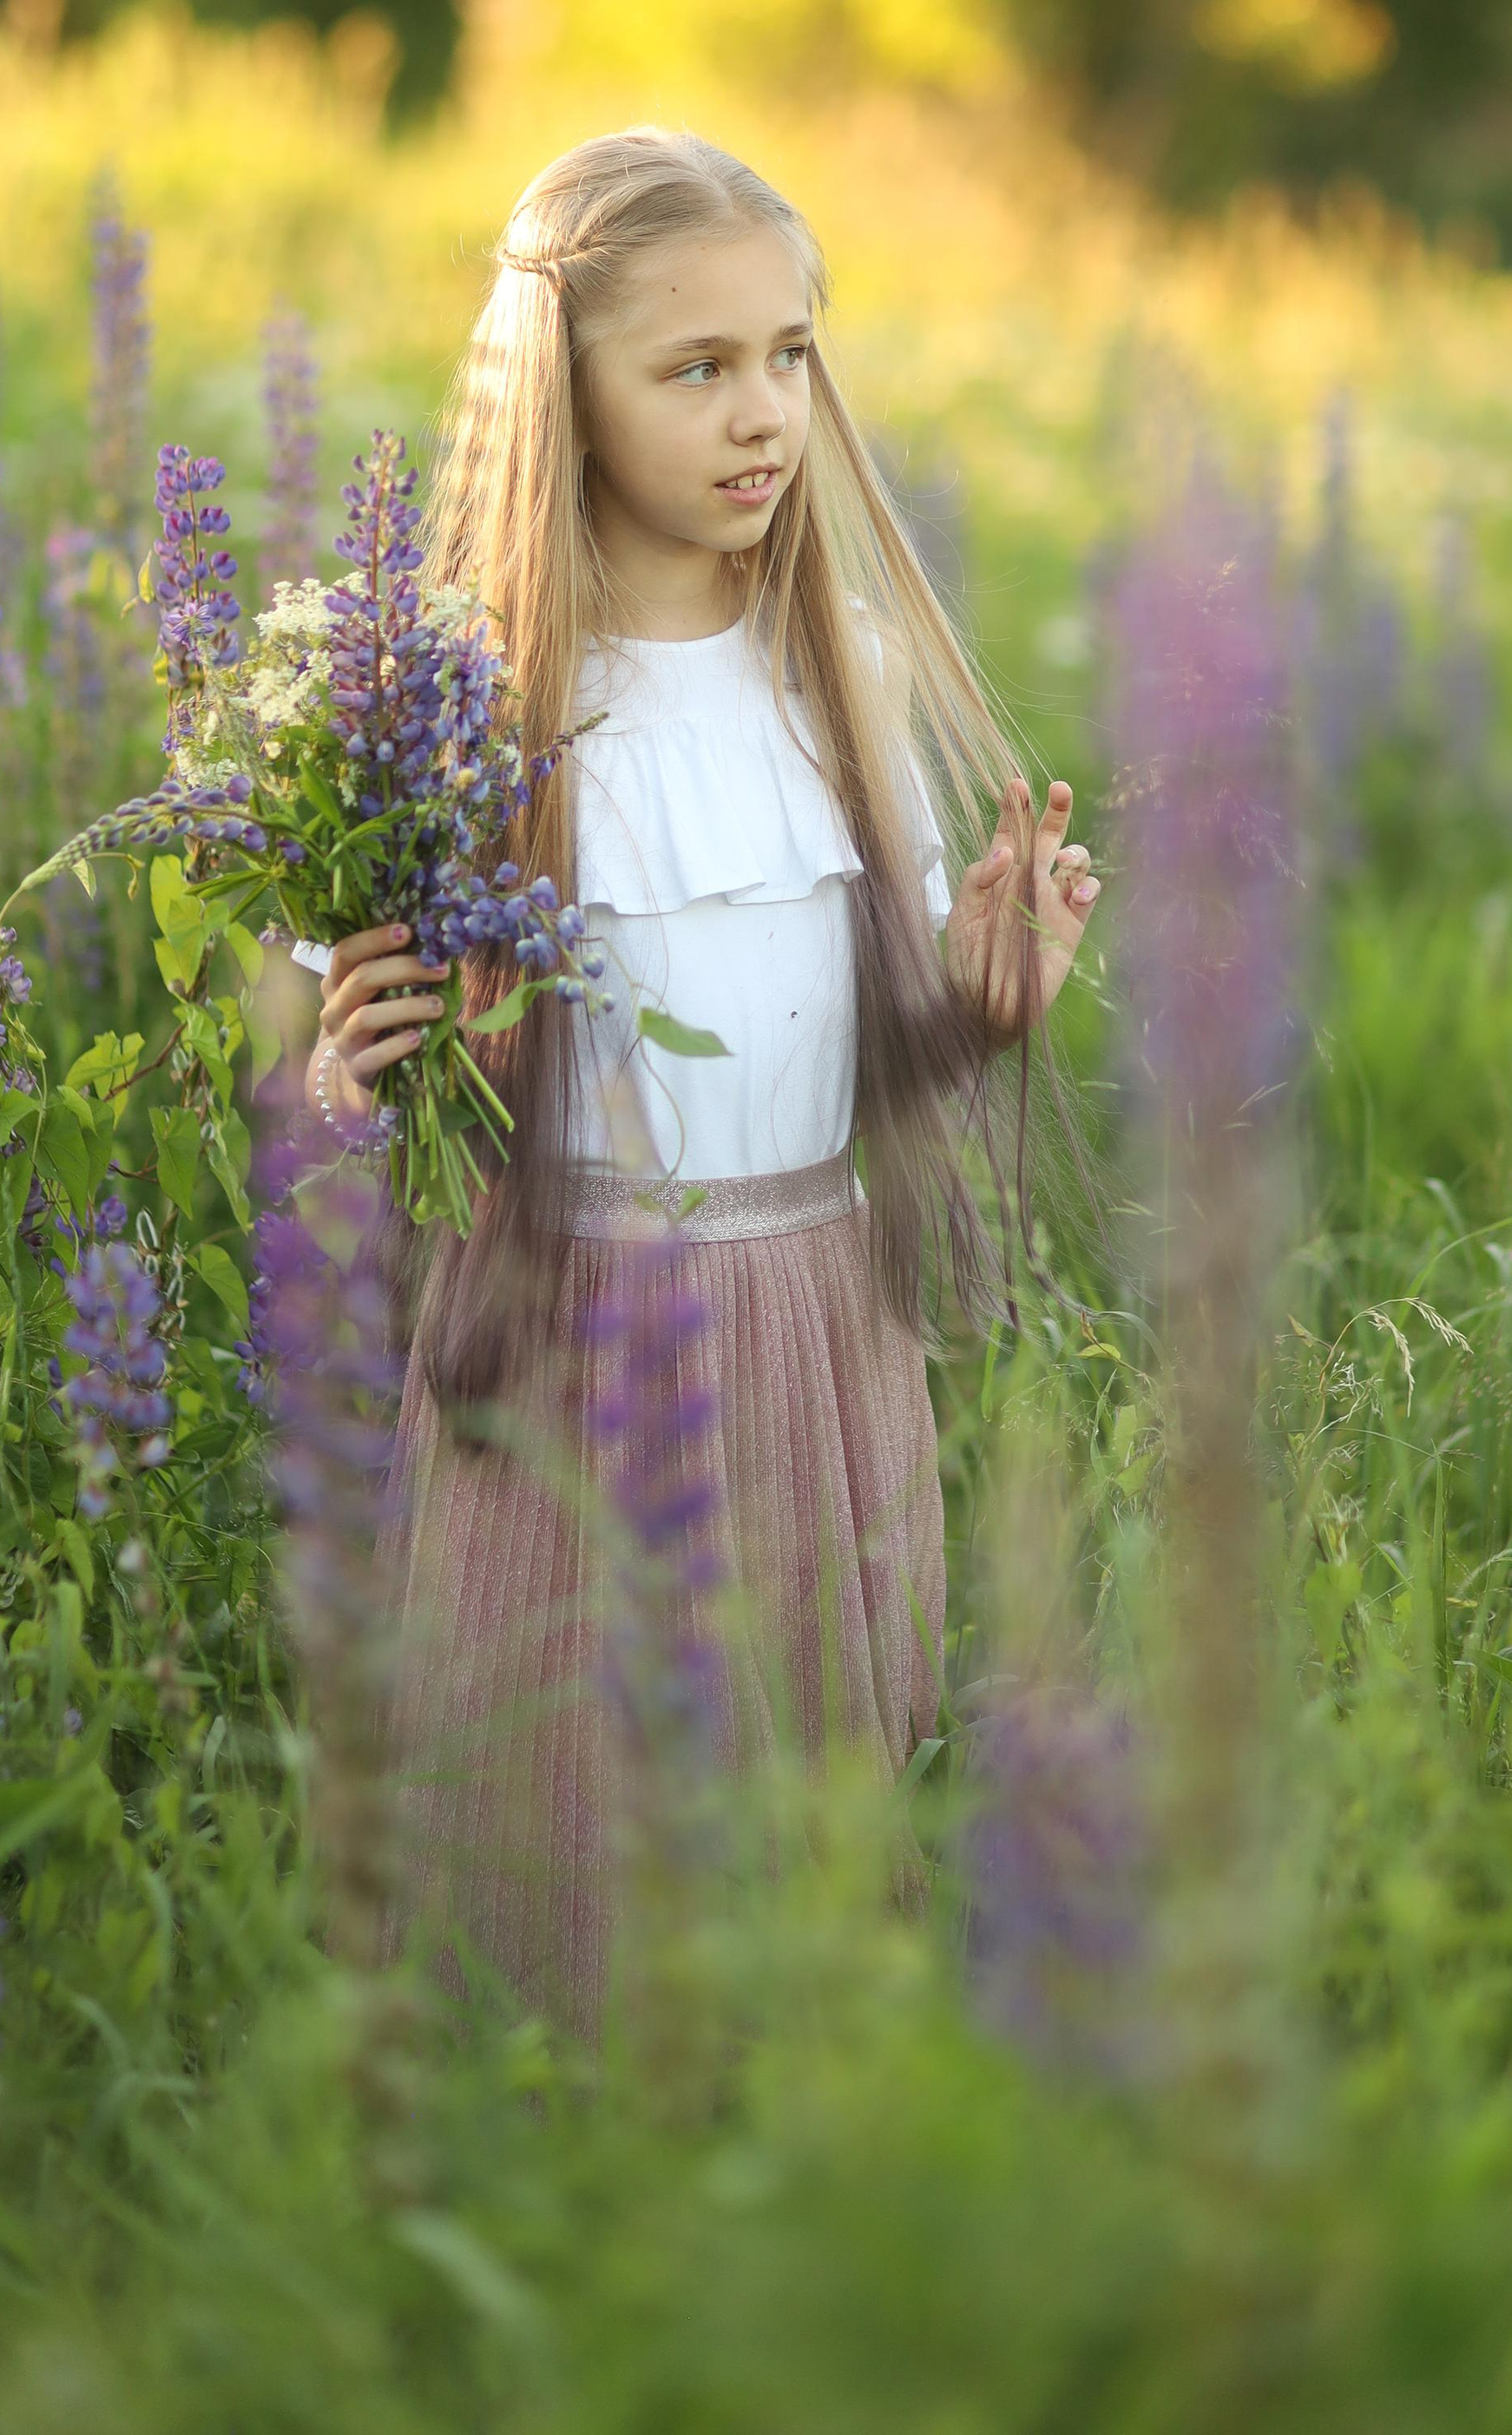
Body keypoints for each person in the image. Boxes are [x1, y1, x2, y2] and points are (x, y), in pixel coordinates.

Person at [309, 128, 1100, 2027]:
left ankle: (788, 2217)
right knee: (565, 1830)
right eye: (695, 368)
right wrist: (349, 1065)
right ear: (557, 393)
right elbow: (352, 1092)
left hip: (822, 1328)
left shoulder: (830, 686)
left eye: (790, 355)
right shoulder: (459, 709)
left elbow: (853, 1066)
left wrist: (977, 1006)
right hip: (564, 1340)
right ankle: (560, 2210)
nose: (762, 414)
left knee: (802, 1819)